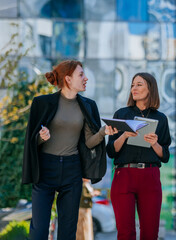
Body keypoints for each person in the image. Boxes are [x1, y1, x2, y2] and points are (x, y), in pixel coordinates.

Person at [22, 60, 117, 240]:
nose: (86, 78)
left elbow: (89, 142)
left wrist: (103, 132)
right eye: (81, 75)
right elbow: (31, 141)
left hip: (72, 169)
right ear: (67, 79)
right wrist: (41, 137)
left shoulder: (88, 106)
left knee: (67, 231)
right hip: (45, 169)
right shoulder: (42, 103)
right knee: (39, 230)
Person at [106, 72, 171, 240]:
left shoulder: (161, 119)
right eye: (132, 85)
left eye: (139, 84)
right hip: (124, 176)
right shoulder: (121, 114)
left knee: (150, 234)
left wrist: (154, 143)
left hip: (150, 177)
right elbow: (111, 151)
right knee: (125, 233)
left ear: (150, 89)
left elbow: (165, 156)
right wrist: (125, 135)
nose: (134, 88)